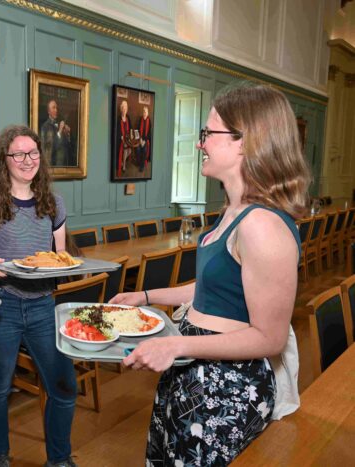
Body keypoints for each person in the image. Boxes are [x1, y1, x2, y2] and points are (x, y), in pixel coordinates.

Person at [110, 83, 310, 465]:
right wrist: (147, 297)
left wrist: (176, 345)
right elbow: (215, 290)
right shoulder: (234, 210)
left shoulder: (262, 225)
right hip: (195, 371)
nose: (201, 144)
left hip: (224, 387)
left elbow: (269, 338)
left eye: (208, 133)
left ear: (244, 142)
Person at [0, 125, 78, 467]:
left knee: (63, 386)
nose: (27, 160)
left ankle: (59, 459)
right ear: (4, 160)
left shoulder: (54, 204)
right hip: (0, 307)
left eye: (33, 153)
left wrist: (64, 267)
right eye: (19, 154)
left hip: (43, 307)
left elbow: (60, 258)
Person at [40, 98, 74, 167]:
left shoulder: (59, 124)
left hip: (65, 167)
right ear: (48, 111)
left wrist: (68, 134)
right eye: (53, 108)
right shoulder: (45, 127)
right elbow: (48, 148)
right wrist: (60, 131)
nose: (56, 110)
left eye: (56, 108)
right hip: (54, 167)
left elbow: (68, 148)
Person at [116, 99, 133, 176]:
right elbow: (118, 131)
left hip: (128, 138)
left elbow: (131, 128)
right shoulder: (119, 119)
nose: (124, 110)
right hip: (121, 139)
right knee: (125, 148)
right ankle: (124, 166)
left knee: (130, 150)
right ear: (121, 109)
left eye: (126, 108)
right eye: (123, 108)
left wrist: (131, 134)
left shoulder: (128, 117)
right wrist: (122, 138)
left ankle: (123, 161)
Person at [136, 105, 152, 171]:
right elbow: (138, 130)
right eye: (143, 112)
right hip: (140, 139)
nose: (144, 113)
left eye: (145, 112)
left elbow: (149, 134)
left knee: (144, 150)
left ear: (147, 113)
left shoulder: (149, 121)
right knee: (138, 149)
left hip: (146, 140)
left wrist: (144, 141)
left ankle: (142, 166)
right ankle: (139, 162)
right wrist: (140, 139)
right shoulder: (140, 119)